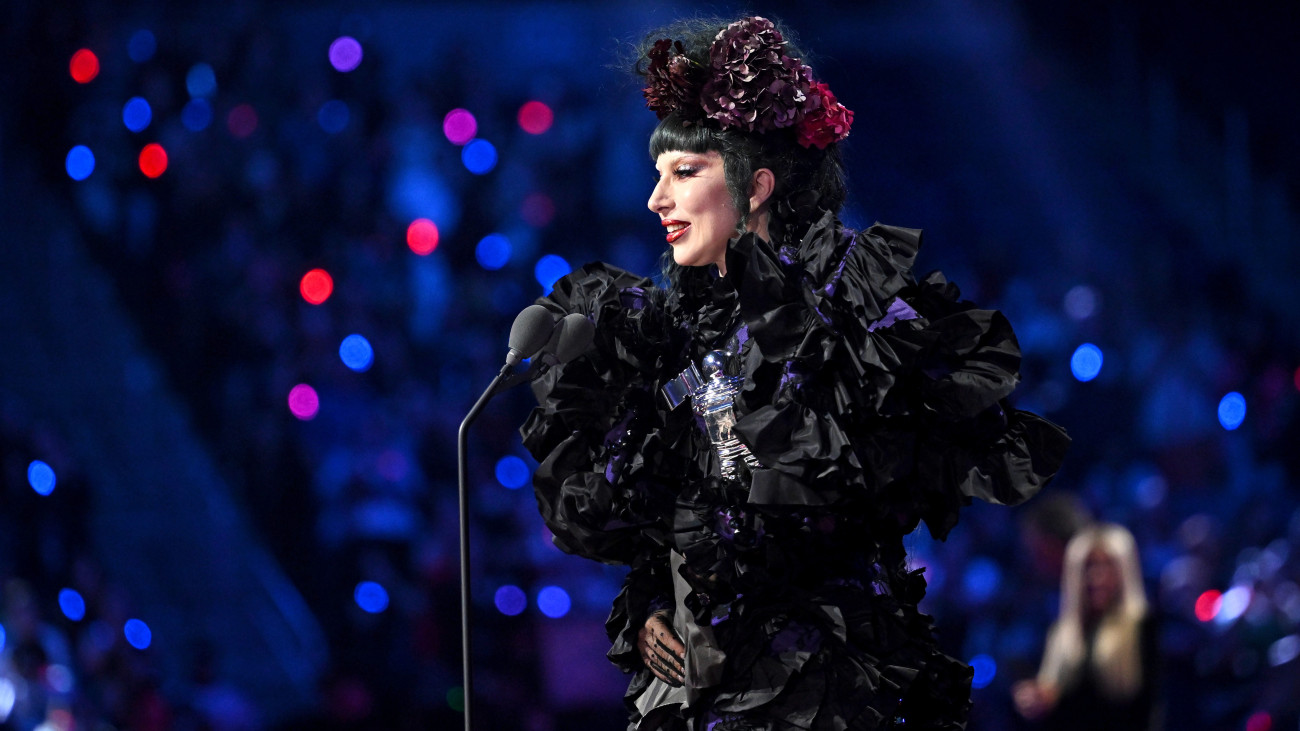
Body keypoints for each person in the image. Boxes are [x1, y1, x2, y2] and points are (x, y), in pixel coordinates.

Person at [520, 16, 1070, 730]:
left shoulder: (852, 315)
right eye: (659, 174)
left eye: (684, 172)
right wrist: (657, 597)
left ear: (757, 187)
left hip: (819, 692)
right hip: (706, 694)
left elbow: (864, 488)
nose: (658, 199)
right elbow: (677, 505)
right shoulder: (674, 334)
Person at [1012, 523, 1159, 730]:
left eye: (1107, 566)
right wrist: (1038, 702)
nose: (1097, 577)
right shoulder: (1062, 635)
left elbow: (1146, 707)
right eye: (1089, 566)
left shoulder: (1144, 628)